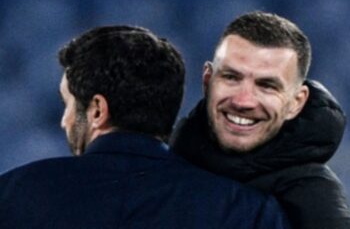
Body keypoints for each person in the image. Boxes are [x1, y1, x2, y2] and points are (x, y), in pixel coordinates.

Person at [0, 25, 290, 228]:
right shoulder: (244, 210)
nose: (65, 120)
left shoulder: (13, 194)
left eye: (69, 104)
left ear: (98, 110)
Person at [170, 11, 350, 229]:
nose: (243, 101)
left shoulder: (314, 200)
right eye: (231, 77)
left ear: (296, 102)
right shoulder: (166, 157)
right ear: (207, 80)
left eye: (267, 86)